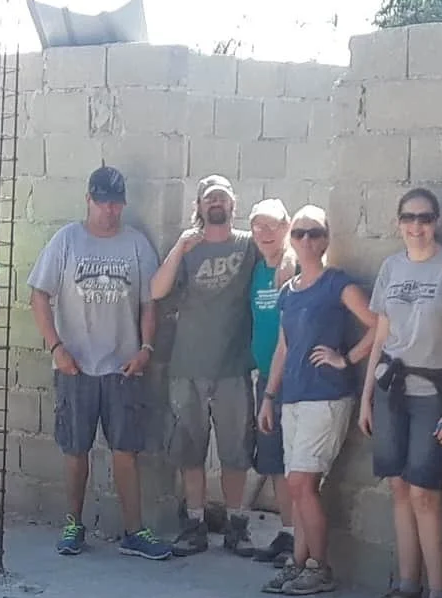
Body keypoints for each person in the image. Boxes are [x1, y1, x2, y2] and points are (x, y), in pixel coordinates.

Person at [27, 166, 171, 560]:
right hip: (76, 366)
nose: (110, 210)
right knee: (76, 450)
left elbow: (148, 303)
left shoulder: (136, 244)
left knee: (126, 451)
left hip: (123, 367)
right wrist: (56, 347)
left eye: (116, 203)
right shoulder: (67, 241)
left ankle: (133, 530)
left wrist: (146, 349)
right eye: (103, 201)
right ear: (88, 200)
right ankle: (73, 524)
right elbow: (39, 295)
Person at [361, 188, 442, 598]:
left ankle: (439, 595)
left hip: (433, 392)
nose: (417, 226)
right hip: (391, 388)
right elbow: (381, 336)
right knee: (397, 486)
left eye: (425, 218)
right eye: (409, 218)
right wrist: (366, 397)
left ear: (438, 221)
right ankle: (407, 586)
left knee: (425, 492)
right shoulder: (391, 267)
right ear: (398, 223)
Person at [257, 206, 381, 596]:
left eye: (314, 234)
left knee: (301, 483)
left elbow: (379, 324)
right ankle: (299, 565)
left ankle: (320, 568)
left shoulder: (337, 283)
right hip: (292, 397)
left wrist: (345, 359)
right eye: (299, 234)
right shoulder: (287, 292)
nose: (306, 241)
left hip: (326, 397)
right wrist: (269, 396)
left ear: (326, 239)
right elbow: (283, 347)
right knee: (297, 487)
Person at [152, 175, 258, 555]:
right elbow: (157, 290)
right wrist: (180, 247)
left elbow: (282, 260)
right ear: (197, 207)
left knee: (235, 452)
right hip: (187, 366)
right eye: (208, 198)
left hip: (232, 367)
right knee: (190, 451)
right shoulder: (187, 246)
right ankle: (194, 524)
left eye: (223, 198)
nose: (216, 203)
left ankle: (236, 525)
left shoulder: (248, 245)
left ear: (234, 205)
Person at [245, 200, 297, 566]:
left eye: (273, 226)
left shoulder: (293, 266)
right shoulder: (254, 269)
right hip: (264, 377)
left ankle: (300, 539)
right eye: (257, 226)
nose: (265, 233)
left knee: (295, 462)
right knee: (275, 460)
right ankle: (288, 533)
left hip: (293, 379)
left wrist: (291, 254)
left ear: (287, 227)